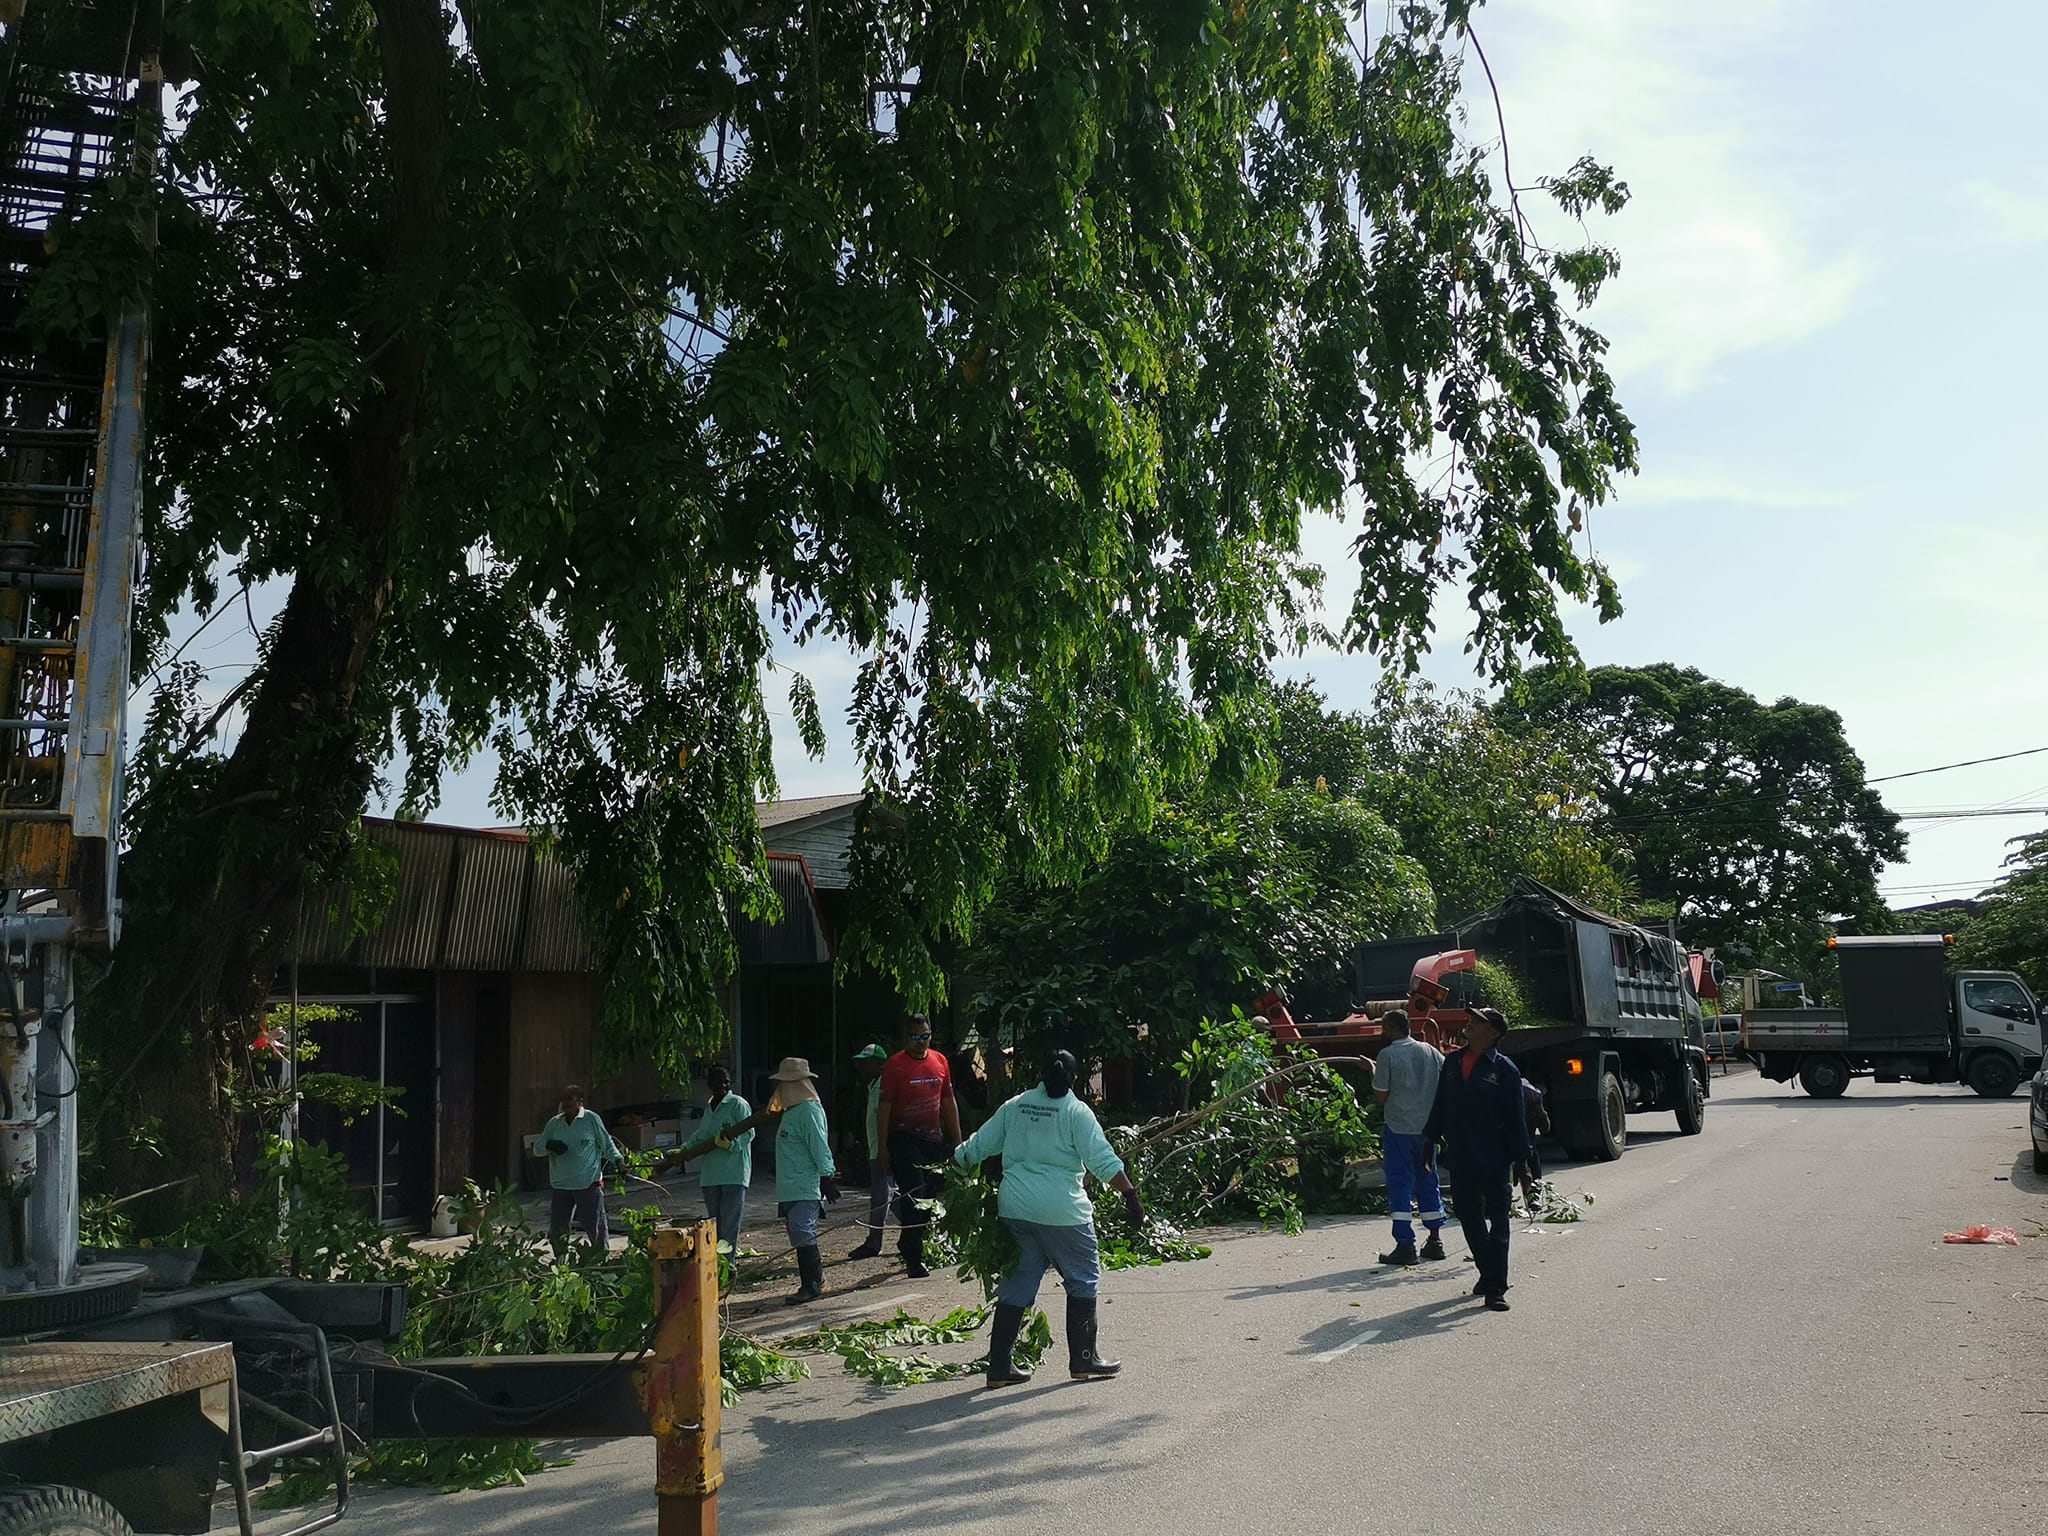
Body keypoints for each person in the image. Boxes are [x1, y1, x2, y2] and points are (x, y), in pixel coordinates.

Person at [953, 1049, 1144, 1386]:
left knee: (1019, 1280)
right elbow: (1102, 1160)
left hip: (1015, 1209)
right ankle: (1085, 1360)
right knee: (1083, 1277)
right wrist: (1130, 1195)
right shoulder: (1076, 1112)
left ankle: (999, 1367)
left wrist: (951, 1166)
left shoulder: (1016, 1106)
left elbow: (978, 1145)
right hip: (1063, 1212)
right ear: (1073, 1079)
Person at [1423, 1006, 1531, 1313]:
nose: (1469, 1024)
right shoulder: (1453, 1062)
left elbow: (1516, 1118)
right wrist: (1429, 1141)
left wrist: (1522, 1163)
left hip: (1495, 1158)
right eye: (1471, 1019)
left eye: (1477, 1021)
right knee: (1469, 1217)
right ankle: (1489, 1271)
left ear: (1494, 1033)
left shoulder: (1505, 1069)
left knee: (1498, 1221)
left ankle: (1496, 1287)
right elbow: (1440, 1104)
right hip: (1461, 1156)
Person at [875, 1015, 962, 1279]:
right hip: (903, 1139)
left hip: (932, 1139)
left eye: (925, 1036)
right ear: (906, 1038)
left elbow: (948, 1101)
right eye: (915, 1037)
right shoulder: (895, 1066)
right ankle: (914, 1257)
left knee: (932, 1197)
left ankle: (908, 1238)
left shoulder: (940, 1061)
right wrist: (882, 1148)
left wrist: (957, 1141)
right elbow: (884, 1108)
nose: (920, 1042)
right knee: (915, 1197)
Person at [1369, 1009, 1448, 1267]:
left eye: (1384, 1028)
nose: (1382, 1032)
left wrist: (1370, 1070)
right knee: (1428, 1180)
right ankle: (1435, 1241)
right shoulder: (1431, 1052)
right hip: (1427, 1130)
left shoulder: (1387, 1055)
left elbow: (1381, 1095)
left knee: (1400, 1184)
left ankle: (1405, 1245)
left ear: (1392, 1028)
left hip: (1399, 1128)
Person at [768, 1057, 841, 1304]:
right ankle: (814, 1279)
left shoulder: (809, 1110)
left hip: (804, 1183)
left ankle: (811, 1284)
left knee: (802, 1230)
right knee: (797, 1232)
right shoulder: (792, 1112)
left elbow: (819, 1146)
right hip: (790, 1185)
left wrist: (826, 1175)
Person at [536, 1085, 620, 1249]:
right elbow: (537, 1149)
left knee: (595, 1229)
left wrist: (618, 1160)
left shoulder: (591, 1119)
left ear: (580, 1101)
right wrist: (549, 1145)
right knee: (558, 1233)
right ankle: (561, 1267)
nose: (565, 1103)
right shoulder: (554, 1123)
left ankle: (601, 1264)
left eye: (569, 1099)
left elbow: (606, 1143)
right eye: (563, 1099)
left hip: (587, 1184)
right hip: (561, 1185)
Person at [683, 1063, 753, 1250]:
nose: (722, 1086)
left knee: (729, 1224)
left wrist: (732, 1144)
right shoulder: (709, 1107)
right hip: (711, 1175)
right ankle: (714, 1265)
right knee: (714, 1224)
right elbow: (702, 1135)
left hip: (733, 1174)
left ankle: (727, 1265)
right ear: (709, 1084)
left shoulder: (738, 1104)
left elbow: (749, 1133)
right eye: (718, 1082)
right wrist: (684, 1150)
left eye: (726, 1082)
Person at [848, 1044, 894, 1260]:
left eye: (867, 1063)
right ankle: (920, 1234)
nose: (862, 1067)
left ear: (880, 1064)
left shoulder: (886, 1086)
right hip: (876, 1148)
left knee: (881, 1197)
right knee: (893, 1197)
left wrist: (884, 1148)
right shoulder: (873, 1085)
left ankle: (874, 1241)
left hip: (883, 1150)